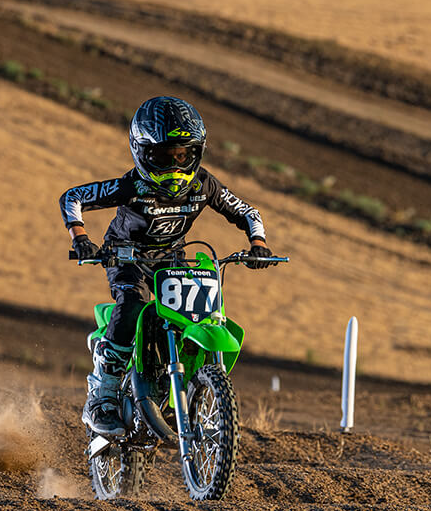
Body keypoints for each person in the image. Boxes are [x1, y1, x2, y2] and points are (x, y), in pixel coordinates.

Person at [59, 95, 274, 437]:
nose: (175, 166)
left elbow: (247, 212)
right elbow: (73, 197)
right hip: (127, 256)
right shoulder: (131, 186)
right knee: (131, 305)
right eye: (163, 157)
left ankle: (181, 383)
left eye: (183, 155)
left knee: (195, 311)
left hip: (172, 259)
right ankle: (102, 397)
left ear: (196, 153)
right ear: (143, 153)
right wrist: (81, 238)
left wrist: (258, 244)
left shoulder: (203, 184)